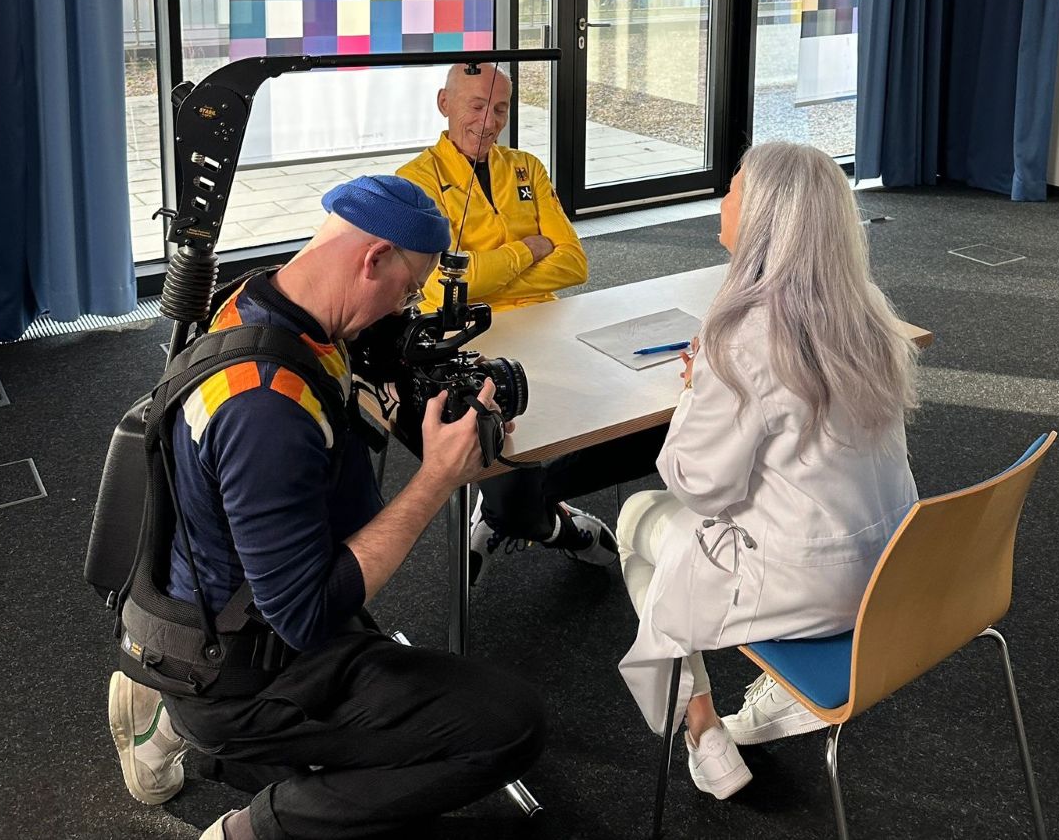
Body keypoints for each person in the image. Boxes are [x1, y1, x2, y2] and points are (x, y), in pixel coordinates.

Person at [106, 175, 545, 839]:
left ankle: (163, 719)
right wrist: (437, 477)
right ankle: (248, 829)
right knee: (510, 726)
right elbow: (306, 613)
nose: (410, 304)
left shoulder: (262, 299)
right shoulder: (265, 409)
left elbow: (362, 374)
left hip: (203, 610)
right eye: (409, 286)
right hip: (243, 664)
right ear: (372, 259)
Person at [616, 142, 920, 800]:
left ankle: (702, 730)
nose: (723, 200)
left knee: (639, 519)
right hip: (895, 571)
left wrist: (700, 390)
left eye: (733, 189)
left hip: (808, 583)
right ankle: (777, 693)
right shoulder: (870, 314)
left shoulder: (744, 336)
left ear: (764, 216)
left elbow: (699, 483)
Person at [398, 63, 666, 583]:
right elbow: (444, 288)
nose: (489, 120)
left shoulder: (526, 167)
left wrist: (487, 272)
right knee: (511, 449)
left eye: (500, 108)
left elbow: (574, 261)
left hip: (551, 322)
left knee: (614, 415)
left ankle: (516, 512)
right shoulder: (416, 182)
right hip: (471, 338)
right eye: (476, 105)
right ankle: (547, 523)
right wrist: (528, 249)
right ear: (444, 104)